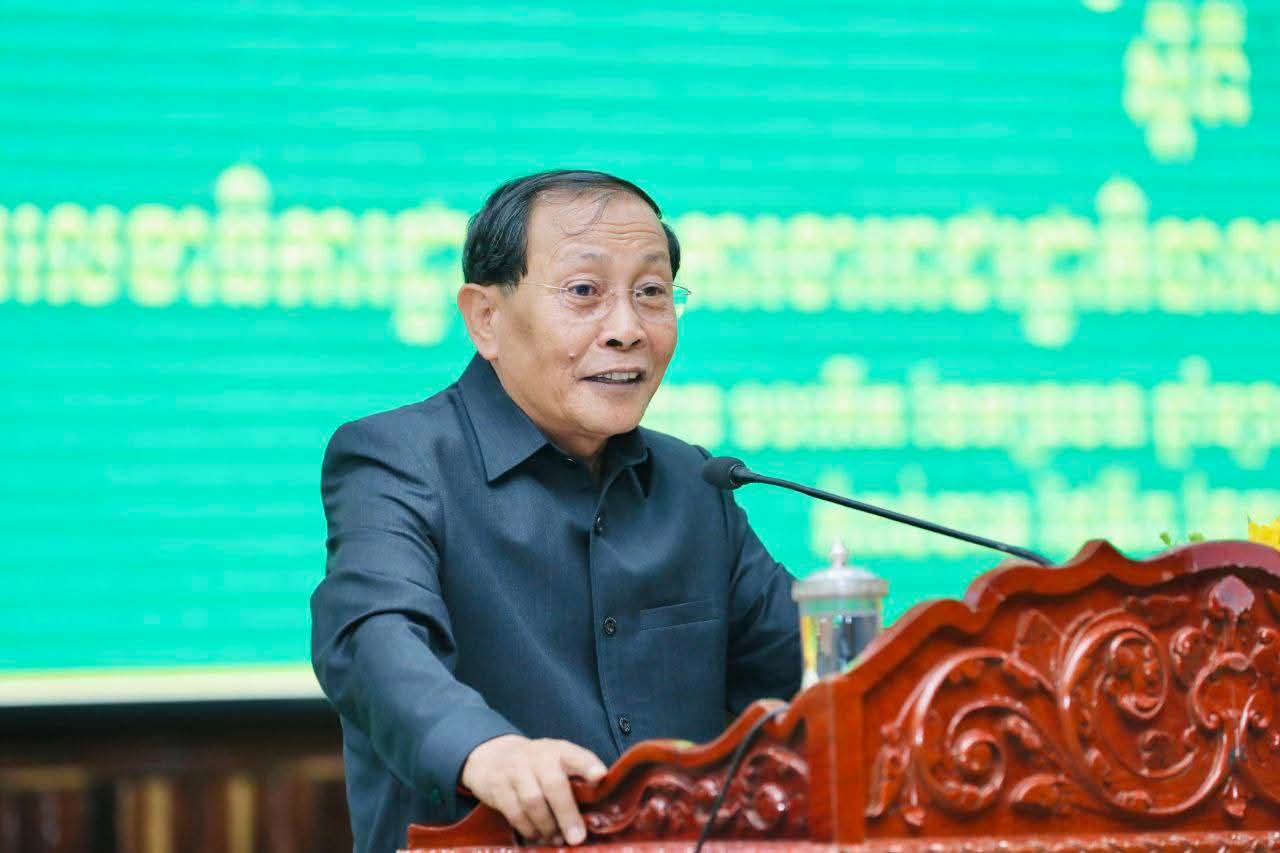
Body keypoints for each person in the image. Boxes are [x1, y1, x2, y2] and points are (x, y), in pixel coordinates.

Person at [310, 170, 802, 853]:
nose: (627, 329)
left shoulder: (695, 484)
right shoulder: (400, 459)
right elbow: (374, 640)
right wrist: (487, 750)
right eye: (584, 292)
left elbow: (809, 668)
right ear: (486, 318)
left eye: (652, 293)